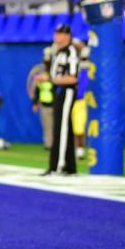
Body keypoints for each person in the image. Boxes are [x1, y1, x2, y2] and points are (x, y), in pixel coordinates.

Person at [44, 24, 80, 176]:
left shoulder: (70, 51)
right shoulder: (58, 52)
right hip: (59, 92)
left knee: (62, 129)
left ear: (67, 36)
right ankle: (69, 167)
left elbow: (72, 78)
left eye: (59, 34)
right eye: (56, 33)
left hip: (67, 92)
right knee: (62, 128)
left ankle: (59, 165)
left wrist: (51, 79)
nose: (56, 37)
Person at [32, 72, 55, 150]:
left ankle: (56, 143)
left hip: (54, 106)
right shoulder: (40, 83)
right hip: (44, 106)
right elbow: (36, 93)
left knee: (55, 126)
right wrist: (35, 104)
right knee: (47, 126)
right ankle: (48, 144)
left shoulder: (54, 80)